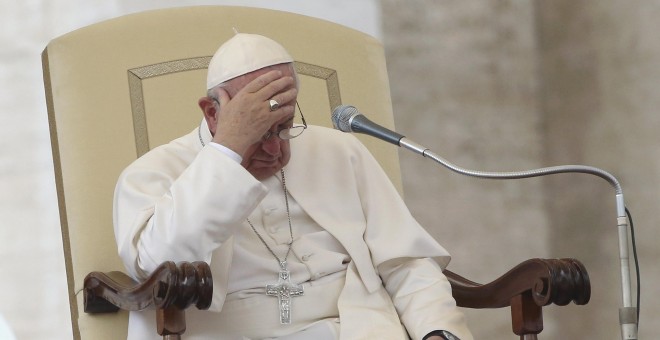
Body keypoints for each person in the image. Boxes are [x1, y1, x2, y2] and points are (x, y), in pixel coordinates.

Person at [114, 33, 472, 340]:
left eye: (283, 126)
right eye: (258, 131)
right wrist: (228, 152)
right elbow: (155, 264)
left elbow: (405, 259)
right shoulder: (152, 173)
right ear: (212, 113)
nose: (275, 148)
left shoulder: (338, 150)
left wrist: (437, 330)